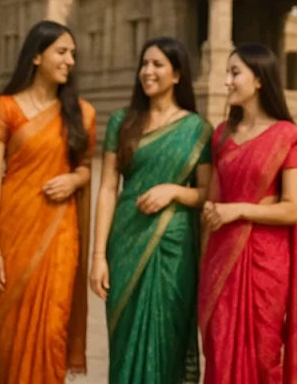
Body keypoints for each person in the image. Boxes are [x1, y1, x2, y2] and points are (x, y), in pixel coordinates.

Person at [90, 36, 212, 384]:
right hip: (125, 241)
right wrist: (98, 255)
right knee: (125, 333)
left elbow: (207, 194)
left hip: (174, 247)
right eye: (144, 64)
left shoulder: (196, 129)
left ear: (177, 74)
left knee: (169, 333)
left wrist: (174, 191)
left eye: (157, 64)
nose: (148, 71)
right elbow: (108, 189)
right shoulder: (121, 122)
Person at [0, 20, 96, 384]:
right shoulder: (5, 108)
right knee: (10, 331)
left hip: (60, 236)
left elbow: (88, 167)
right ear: (35, 56)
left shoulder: (83, 113)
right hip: (13, 231)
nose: (69, 61)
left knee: (50, 330)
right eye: (61, 52)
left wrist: (75, 178)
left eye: (73, 54)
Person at [199, 43, 297, 384]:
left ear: (259, 79)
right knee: (219, 350)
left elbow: (292, 209)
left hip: (266, 264)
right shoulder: (221, 136)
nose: (227, 83)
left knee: (264, 355)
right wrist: (213, 210)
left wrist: (239, 211)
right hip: (221, 260)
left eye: (235, 73)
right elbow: (215, 200)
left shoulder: (286, 138)